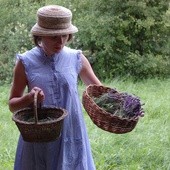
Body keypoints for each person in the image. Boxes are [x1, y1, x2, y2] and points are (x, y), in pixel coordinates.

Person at [9, 4, 102, 170]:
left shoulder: (76, 58)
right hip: (39, 135)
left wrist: (123, 106)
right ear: (40, 35)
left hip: (71, 132)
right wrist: (28, 98)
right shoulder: (25, 62)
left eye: (64, 35)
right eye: (53, 36)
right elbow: (12, 104)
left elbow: (99, 92)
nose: (60, 41)